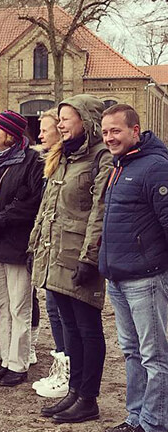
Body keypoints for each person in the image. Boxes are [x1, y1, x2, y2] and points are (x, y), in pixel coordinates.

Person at [30, 94, 112, 424]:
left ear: (87, 120)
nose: (60, 124)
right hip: (55, 255)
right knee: (68, 329)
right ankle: (74, 391)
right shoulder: (64, 156)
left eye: (67, 118)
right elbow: (48, 207)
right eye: (59, 119)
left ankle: (88, 398)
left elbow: (100, 211)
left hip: (79, 258)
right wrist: (36, 244)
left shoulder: (100, 158)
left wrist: (89, 258)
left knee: (87, 328)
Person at [99, 104, 168, 432]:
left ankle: (155, 423)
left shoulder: (154, 167)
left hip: (147, 278)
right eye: (105, 132)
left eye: (116, 131)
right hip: (119, 277)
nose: (109, 137)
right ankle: (136, 418)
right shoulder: (119, 165)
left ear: (135, 131)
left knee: (155, 357)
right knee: (132, 353)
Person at [0, 110, 43, 387]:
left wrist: (0, 219)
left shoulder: (31, 161)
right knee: (1, 305)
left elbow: (31, 200)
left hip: (16, 242)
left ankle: (19, 362)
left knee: (19, 305)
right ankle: (5, 359)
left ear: (10, 134)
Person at [30, 109, 71, 398]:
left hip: (63, 250)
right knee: (53, 310)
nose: (40, 135)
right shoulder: (49, 163)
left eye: (45, 130)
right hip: (48, 248)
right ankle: (61, 364)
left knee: (65, 313)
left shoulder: (67, 163)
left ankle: (69, 372)